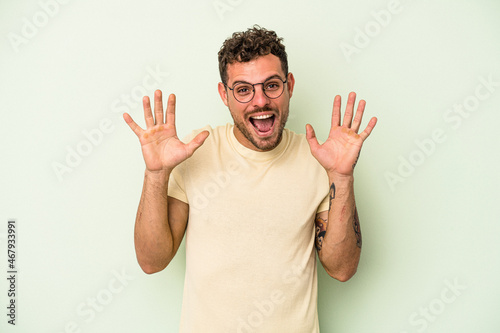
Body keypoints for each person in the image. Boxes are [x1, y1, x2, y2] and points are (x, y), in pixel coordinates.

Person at [123, 25, 377, 333]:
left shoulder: (318, 160)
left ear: (289, 85)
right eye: (243, 89)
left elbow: (342, 269)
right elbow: (152, 261)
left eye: (271, 85)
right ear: (224, 95)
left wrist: (341, 176)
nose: (259, 101)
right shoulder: (194, 154)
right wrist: (156, 174)